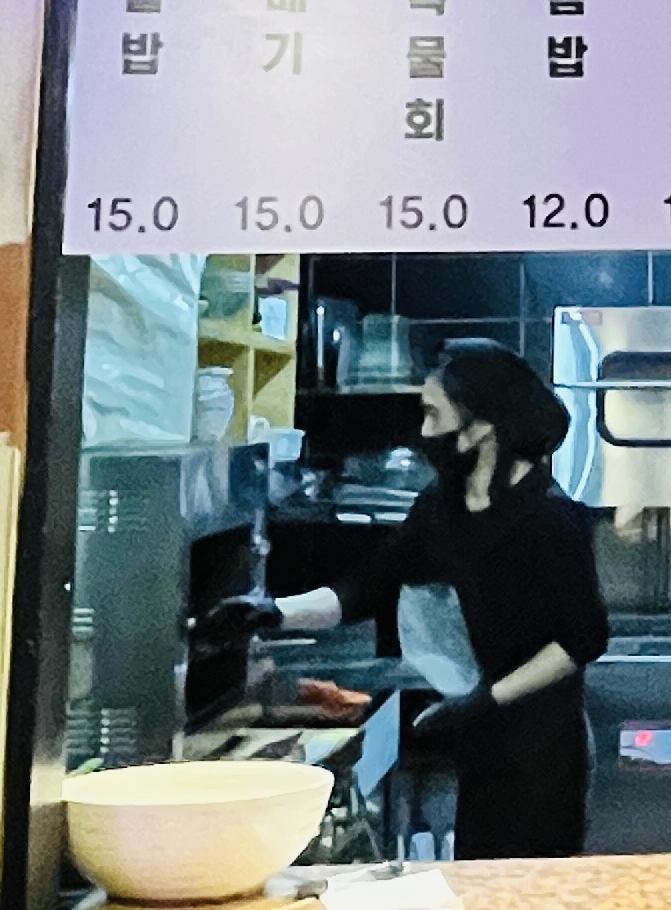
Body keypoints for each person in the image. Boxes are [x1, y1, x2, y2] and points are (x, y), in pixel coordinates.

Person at [232, 339, 608, 859]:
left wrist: (487, 700)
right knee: (478, 878)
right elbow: (370, 584)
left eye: (434, 415)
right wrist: (273, 611)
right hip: (480, 745)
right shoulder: (442, 506)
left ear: (481, 425)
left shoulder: (550, 517)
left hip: (542, 751)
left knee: (528, 888)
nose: (425, 431)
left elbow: (582, 638)